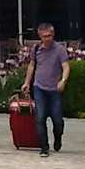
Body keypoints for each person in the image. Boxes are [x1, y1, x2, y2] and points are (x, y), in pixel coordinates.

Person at [21, 21, 70, 157]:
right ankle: (44, 147)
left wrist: (63, 81)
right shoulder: (36, 49)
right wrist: (27, 83)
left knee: (57, 119)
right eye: (44, 36)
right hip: (39, 87)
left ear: (53, 35)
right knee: (40, 117)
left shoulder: (59, 49)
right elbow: (32, 65)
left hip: (55, 89)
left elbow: (66, 66)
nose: (47, 39)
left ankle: (58, 138)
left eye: (49, 36)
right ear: (40, 36)